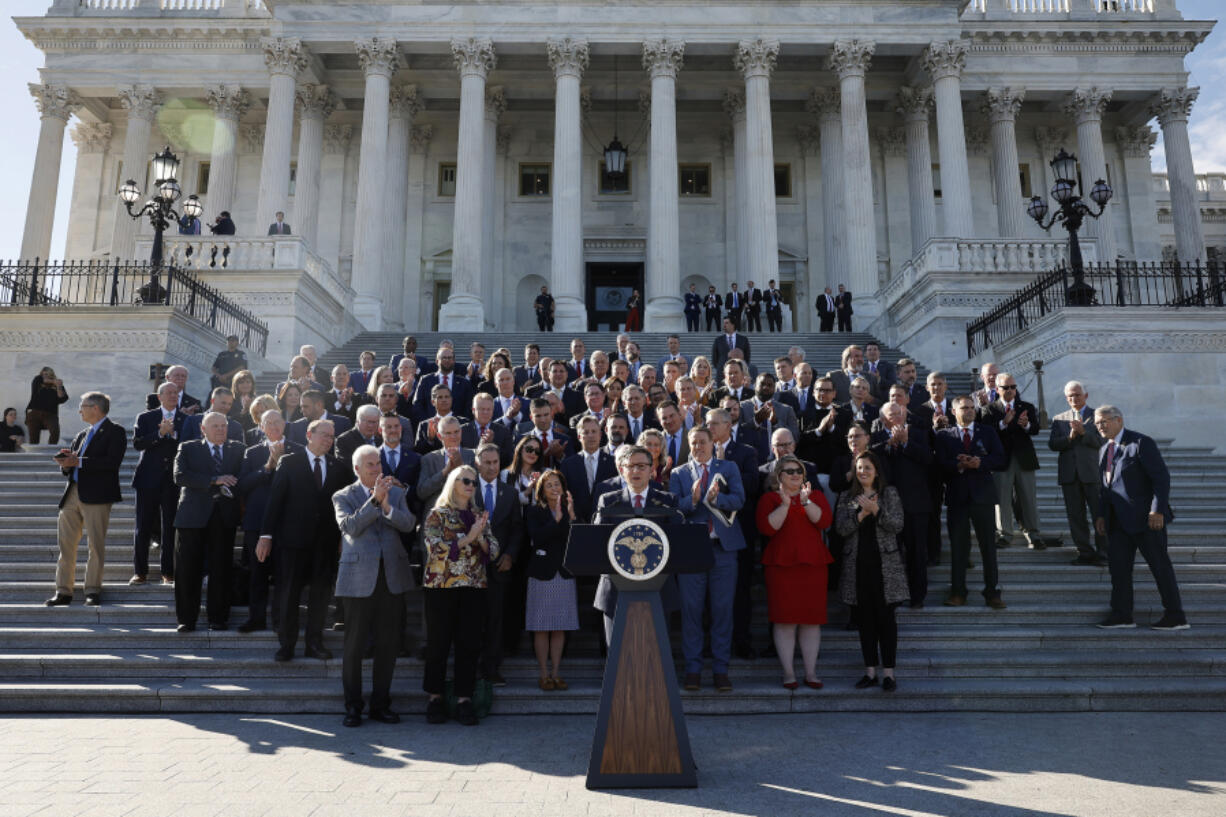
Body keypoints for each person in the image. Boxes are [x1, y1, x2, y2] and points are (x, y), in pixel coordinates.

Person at [334, 445, 417, 727]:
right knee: (354, 647)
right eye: (369, 464)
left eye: (377, 463)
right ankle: (353, 707)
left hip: (391, 577)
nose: (376, 468)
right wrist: (372, 502)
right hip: (358, 579)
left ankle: (381, 705)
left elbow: (409, 525)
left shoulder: (396, 492)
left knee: (388, 645)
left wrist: (386, 505)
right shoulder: (343, 495)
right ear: (357, 469)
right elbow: (350, 528)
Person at [257, 419, 349, 661]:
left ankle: (314, 643)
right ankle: (286, 644)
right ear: (309, 434)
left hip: (325, 543)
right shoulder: (289, 462)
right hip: (292, 542)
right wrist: (265, 535)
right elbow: (275, 501)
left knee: (320, 596)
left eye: (332, 436)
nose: (328, 440)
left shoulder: (338, 467)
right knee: (289, 594)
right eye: (324, 435)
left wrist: (342, 538)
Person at [1093, 406, 1188, 630]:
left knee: (1160, 567)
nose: (1101, 427)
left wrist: (1158, 510)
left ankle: (1176, 616)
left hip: (1147, 521)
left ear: (1119, 420)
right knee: (1119, 570)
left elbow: (1161, 479)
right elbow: (1106, 489)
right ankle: (1122, 615)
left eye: (1104, 422)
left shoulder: (1140, 443)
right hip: (1117, 523)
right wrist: (1100, 515)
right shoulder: (1104, 449)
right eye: (1097, 424)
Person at [421, 465, 500, 726]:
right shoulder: (438, 514)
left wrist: (480, 538)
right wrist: (469, 538)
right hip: (441, 588)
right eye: (465, 480)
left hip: (473, 586)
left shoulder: (479, 515)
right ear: (453, 483)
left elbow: (494, 550)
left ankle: (464, 699)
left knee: (469, 644)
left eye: (474, 482)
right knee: (438, 643)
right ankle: (435, 698)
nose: (470, 485)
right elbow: (435, 549)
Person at [672, 426, 745, 692]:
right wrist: (691, 501)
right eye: (693, 443)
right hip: (692, 551)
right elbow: (673, 509)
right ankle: (693, 669)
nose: (698, 447)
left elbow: (739, 499)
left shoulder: (728, 468)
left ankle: (720, 669)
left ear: (713, 443)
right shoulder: (678, 473)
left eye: (702, 442)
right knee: (691, 611)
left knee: (722, 610)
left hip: (723, 550)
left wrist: (718, 498)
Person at [592, 445, 683, 643]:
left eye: (641, 466)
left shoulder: (667, 501)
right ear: (622, 470)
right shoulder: (608, 501)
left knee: (656, 656)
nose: (635, 471)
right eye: (630, 466)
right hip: (616, 590)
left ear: (653, 470)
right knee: (618, 658)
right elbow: (597, 543)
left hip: (658, 589)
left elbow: (677, 544)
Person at [756, 455, 832, 689]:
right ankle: (788, 673)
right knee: (785, 621)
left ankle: (811, 673)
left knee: (811, 621)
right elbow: (768, 528)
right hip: (781, 569)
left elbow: (825, 522)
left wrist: (806, 502)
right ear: (779, 476)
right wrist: (786, 505)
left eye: (799, 471)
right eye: (789, 471)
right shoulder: (770, 499)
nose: (796, 475)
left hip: (812, 567)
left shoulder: (816, 496)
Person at [46, 391, 127, 607]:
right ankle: (63, 591)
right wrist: (66, 463)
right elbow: (73, 463)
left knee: (95, 546)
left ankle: (92, 589)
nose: (80, 410)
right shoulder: (82, 434)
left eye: (83, 406)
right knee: (66, 545)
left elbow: (111, 463)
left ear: (96, 408)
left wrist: (79, 461)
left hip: (98, 495)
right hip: (72, 493)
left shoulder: (115, 432)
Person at [836, 451, 906, 692]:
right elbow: (841, 529)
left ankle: (889, 674)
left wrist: (876, 511)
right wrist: (861, 515)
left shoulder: (889, 494)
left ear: (876, 470)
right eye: (859, 468)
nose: (863, 471)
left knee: (887, 622)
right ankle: (870, 673)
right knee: (865, 622)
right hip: (857, 568)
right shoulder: (847, 496)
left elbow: (897, 525)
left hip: (885, 568)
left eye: (867, 467)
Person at [171, 412, 244, 632]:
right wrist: (214, 480)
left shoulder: (238, 449)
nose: (221, 429)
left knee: (221, 568)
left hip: (223, 516)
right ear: (203, 429)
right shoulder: (188, 447)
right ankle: (186, 619)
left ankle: (218, 618)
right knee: (187, 570)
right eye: (216, 426)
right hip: (192, 516)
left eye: (224, 425)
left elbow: (243, 477)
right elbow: (180, 476)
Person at [935, 396, 1006, 609]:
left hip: (983, 497)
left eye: (971, 408)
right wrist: (958, 465)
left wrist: (980, 463)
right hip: (958, 498)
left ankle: (992, 592)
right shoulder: (944, 435)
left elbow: (1001, 459)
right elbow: (939, 464)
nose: (969, 411)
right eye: (964, 408)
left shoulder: (988, 432)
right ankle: (958, 592)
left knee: (988, 547)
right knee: (958, 547)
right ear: (954, 411)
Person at [235, 409, 299, 633]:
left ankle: (281, 621)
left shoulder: (297, 450)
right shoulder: (252, 453)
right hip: (257, 522)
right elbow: (242, 485)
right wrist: (268, 467)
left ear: (284, 424)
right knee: (257, 573)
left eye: (276, 422)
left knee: (284, 575)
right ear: (261, 427)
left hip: (286, 522)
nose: (273, 426)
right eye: (268, 423)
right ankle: (256, 618)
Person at [980, 372, 1052, 550]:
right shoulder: (989, 409)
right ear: (997, 389)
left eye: (1013, 387)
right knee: (1002, 500)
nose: (1011, 390)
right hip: (1001, 460)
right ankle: (1005, 534)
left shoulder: (1025, 406)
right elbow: (986, 433)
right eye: (1006, 387)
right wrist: (1003, 423)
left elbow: (1035, 429)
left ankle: (1033, 535)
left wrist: (1026, 425)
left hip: (1024, 459)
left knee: (1028, 498)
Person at [870, 403, 933, 608]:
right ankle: (894, 595)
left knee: (917, 553)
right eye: (892, 414)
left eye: (900, 413)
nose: (897, 417)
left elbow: (929, 459)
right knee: (890, 554)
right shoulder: (876, 437)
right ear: (883, 419)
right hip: (887, 506)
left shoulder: (918, 433)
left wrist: (906, 443)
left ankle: (917, 597)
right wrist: (889, 443)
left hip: (916, 504)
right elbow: (872, 458)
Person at [524, 469, 580, 691]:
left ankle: (556, 673)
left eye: (557, 484)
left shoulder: (569, 509)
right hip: (542, 573)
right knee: (541, 628)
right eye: (550, 486)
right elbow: (536, 538)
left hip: (564, 573)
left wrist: (572, 517)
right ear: (541, 490)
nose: (555, 489)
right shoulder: (535, 511)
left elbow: (578, 539)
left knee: (559, 627)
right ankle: (543, 674)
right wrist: (555, 521)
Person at [471, 443, 523, 685]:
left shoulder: (510, 493)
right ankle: (470, 666)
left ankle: (491, 667)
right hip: (470, 566)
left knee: (495, 620)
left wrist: (510, 555)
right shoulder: (467, 490)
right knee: (471, 619)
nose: (492, 467)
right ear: (477, 463)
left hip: (499, 566)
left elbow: (516, 529)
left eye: (495, 462)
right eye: (487, 462)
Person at [130, 382, 186, 586]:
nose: (173, 396)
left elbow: (188, 446)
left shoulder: (185, 419)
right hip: (148, 479)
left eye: (176, 393)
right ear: (160, 396)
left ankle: (167, 572)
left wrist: (174, 435)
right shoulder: (145, 417)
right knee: (143, 526)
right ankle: (140, 571)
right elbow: (138, 443)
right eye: (169, 393)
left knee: (170, 527)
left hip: (173, 481)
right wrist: (160, 434)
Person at [1049, 381, 1108, 566]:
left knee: (1099, 514)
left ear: (1085, 396)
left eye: (1077, 395)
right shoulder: (1059, 419)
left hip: (1092, 474)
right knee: (1076, 516)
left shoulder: (1097, 415)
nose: (1074, 399)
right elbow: (1053, 444)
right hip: (1069, 475)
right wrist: (1069, 438)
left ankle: (1103, 553)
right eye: (1070, 396)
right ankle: (1085, 552)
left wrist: (1083, 433)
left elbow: (1101, 441)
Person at [560, 416, 617, 522]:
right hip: (576, 522)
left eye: (594, 431)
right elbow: (565, 495)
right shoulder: (568, 464)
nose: (590, 435)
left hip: (606, 522)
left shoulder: (612, 463)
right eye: (586, 432)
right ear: (579, 437)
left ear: (600, 435)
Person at [417, 416, 477, 511]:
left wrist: (462, 468)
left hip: (466, 515)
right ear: (440, 436)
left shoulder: (474, 455)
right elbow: (422, 492)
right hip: (437, 518)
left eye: (456, 432)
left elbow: (480, 488)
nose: (453, 437)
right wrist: (444, 472)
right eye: (448, 433)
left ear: (461, 432)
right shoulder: (429, 459)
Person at [25, 366, 69, 444]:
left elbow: (62, 398)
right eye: (43, 374)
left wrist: (58, 386)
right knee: (33, 439)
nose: (45, 376)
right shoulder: (38, 380)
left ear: (52, 375)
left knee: (55, 432)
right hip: (34, 413)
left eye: (47, 374)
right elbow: (42, 379)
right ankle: (34, 455)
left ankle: (50, 449)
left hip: (50, 414)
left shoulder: (57, 385)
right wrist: (54, 382)